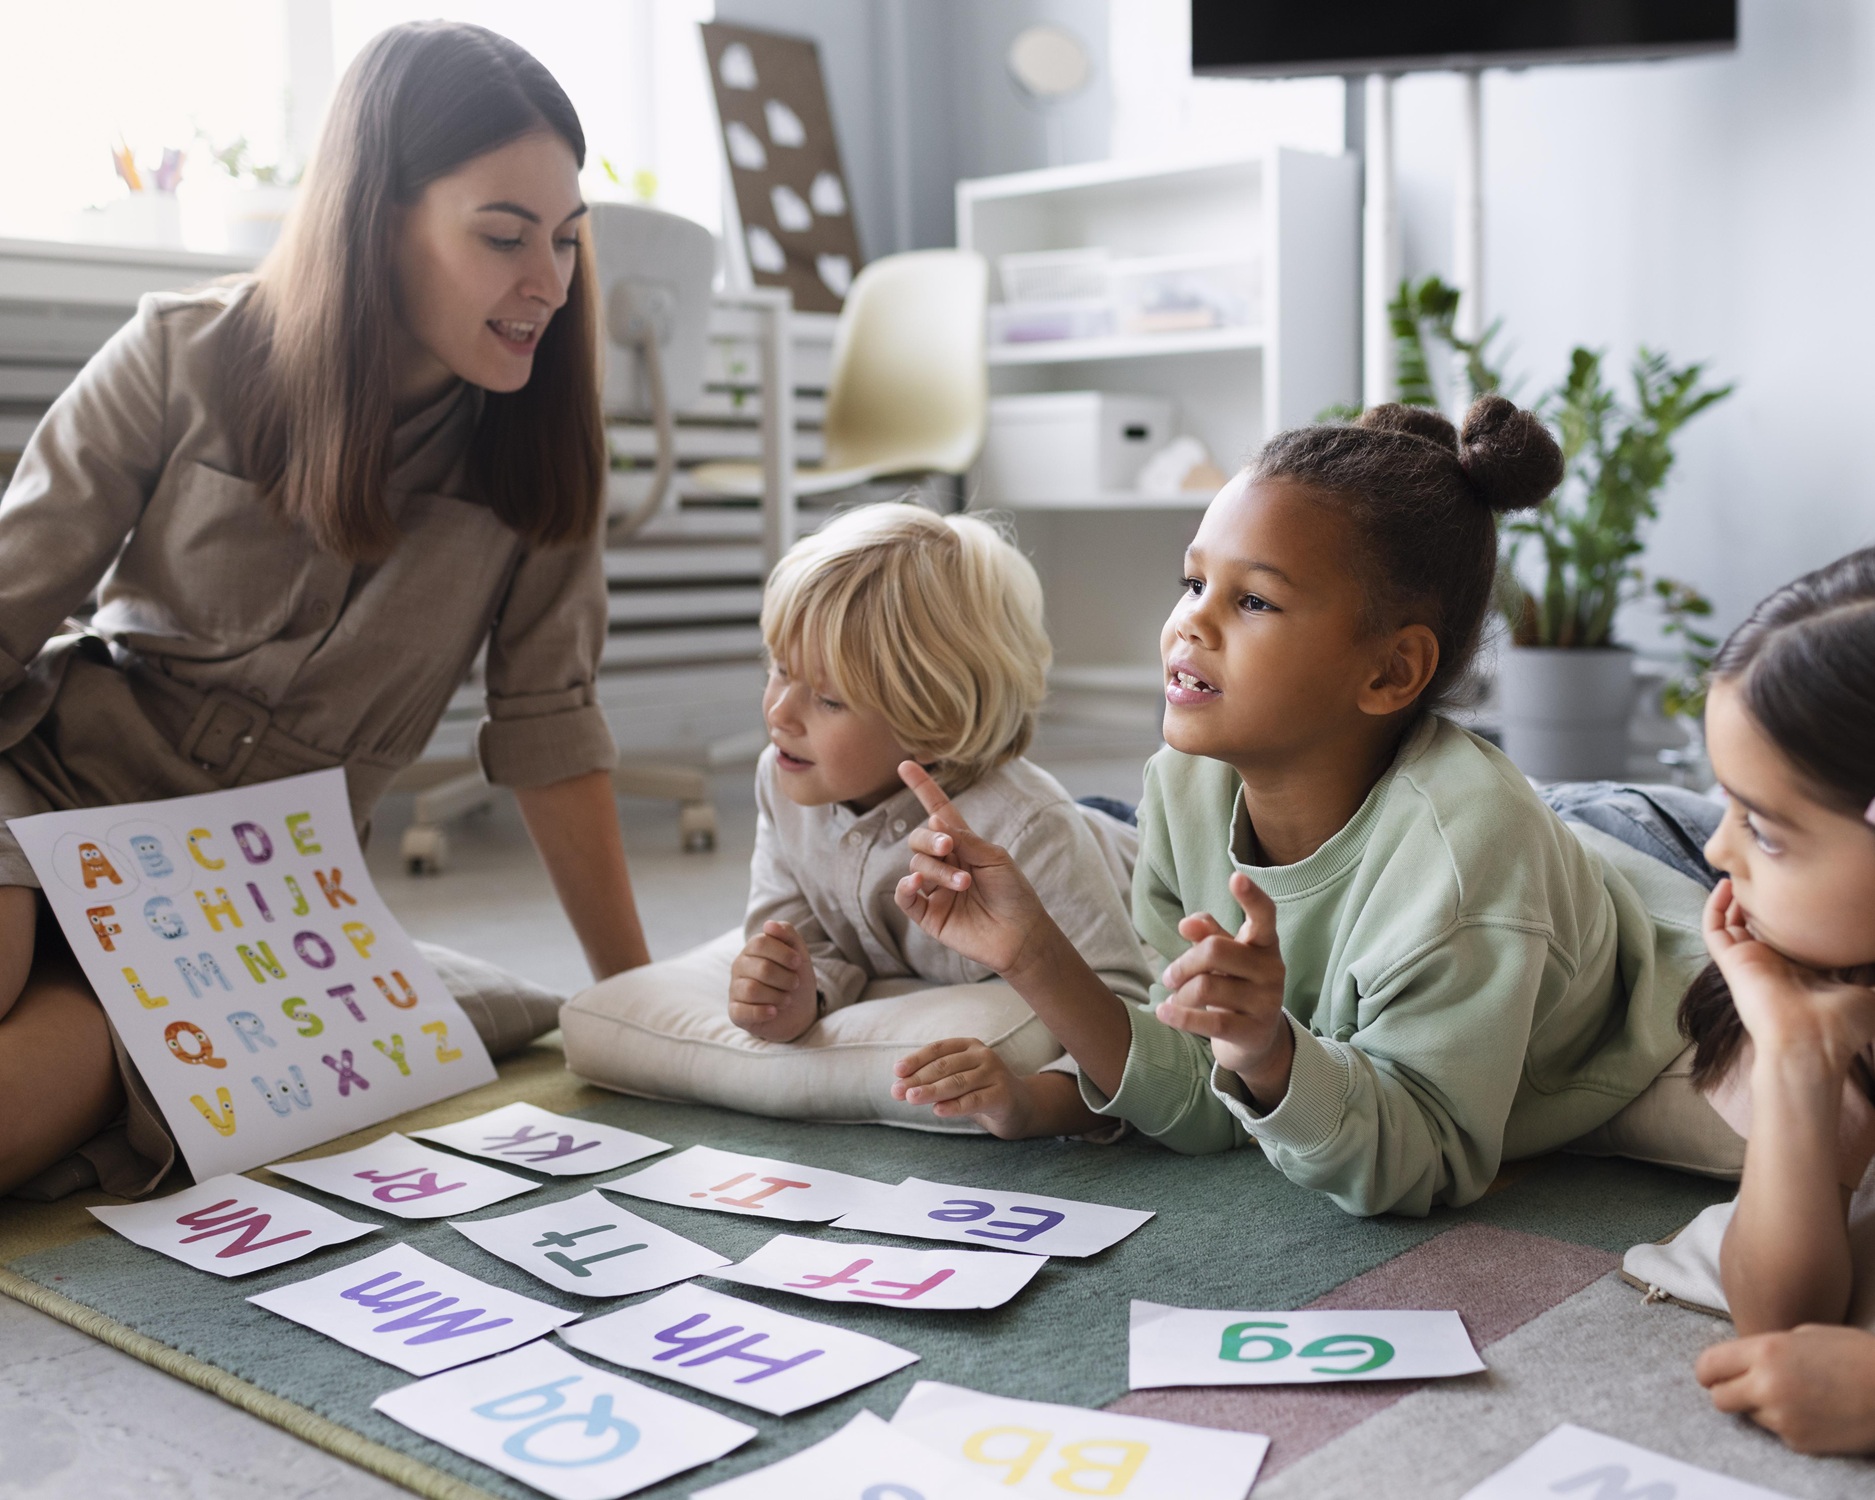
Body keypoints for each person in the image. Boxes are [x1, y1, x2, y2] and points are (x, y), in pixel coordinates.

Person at [0, 22, 650, 1198]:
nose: (548, 282)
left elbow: (553, 728)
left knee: (36, 1095)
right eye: (504, 237)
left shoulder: (541, 455)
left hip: (243, 903)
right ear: (378, 218)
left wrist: (646, 1012)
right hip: (46, 787)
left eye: (563, 240)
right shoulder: (180, 355)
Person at [891, 398, 1730, 1214]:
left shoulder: (1467, 864)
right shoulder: (1181, 783)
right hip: (1551, 827)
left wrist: (1270, 1050)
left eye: (1251, 600)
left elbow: (1425, 1158)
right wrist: (1030, 950)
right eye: (1191, 583)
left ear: (1390, 673)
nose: (1190, 624)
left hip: (1663, 853)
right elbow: (1197, 1082)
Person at [560, 502, 1152, 1133]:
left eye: (828, 698)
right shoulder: (783, 778)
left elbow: (1126, 1018)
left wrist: (1034, 1102)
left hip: (1126, 851)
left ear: (932, 724)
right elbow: (803, 936)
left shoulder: (1031, 832)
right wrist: (791, 996)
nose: (779, 713)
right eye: (779, 669)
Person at [1625, 549, 1875, 1455]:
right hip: (1621, 836)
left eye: (1762, 828)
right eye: (1727, 805)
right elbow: (1778, 1323)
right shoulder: (1836, 978)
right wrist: (1799, 1060)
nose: (1722, 849)